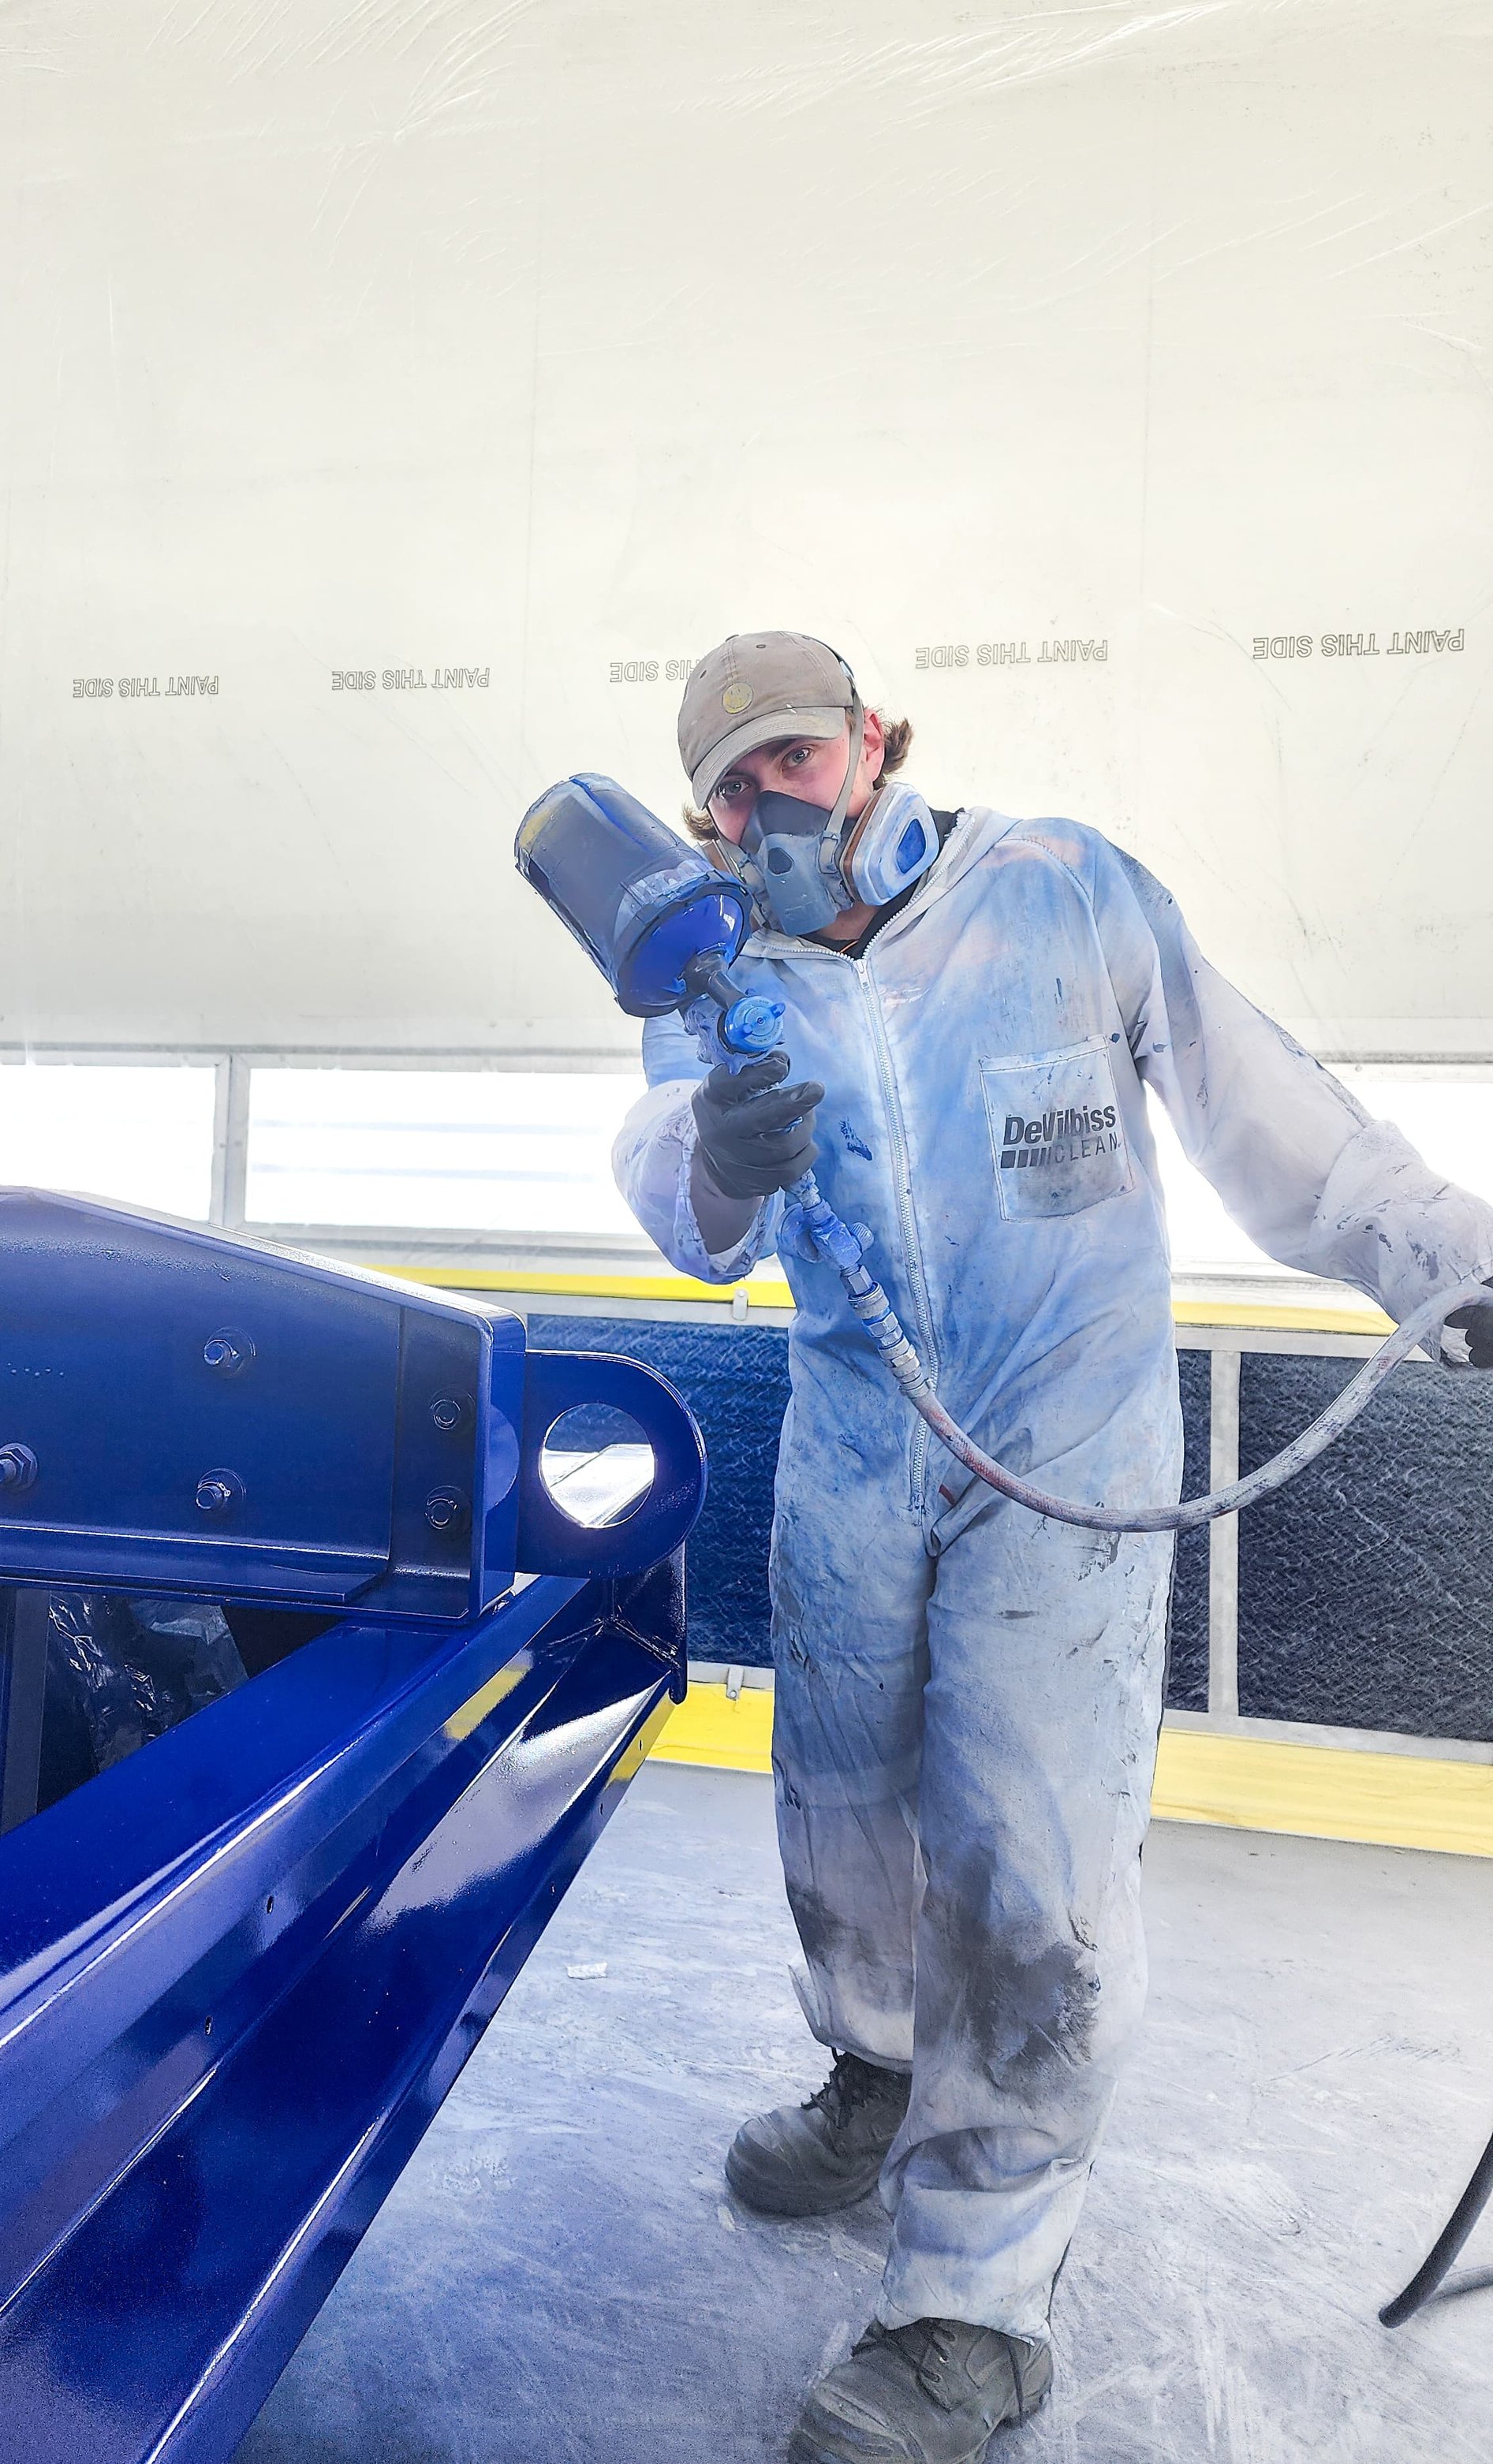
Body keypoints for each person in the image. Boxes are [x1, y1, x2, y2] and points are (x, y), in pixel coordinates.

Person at [612, 629, 1493, 2464]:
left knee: (1029, 1862)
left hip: (1061, 1444)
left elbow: (1274, 1115)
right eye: (730, 783)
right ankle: (869, 2072)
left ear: (875, 747)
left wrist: (1443, 1260)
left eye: (795, 757)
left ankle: (969, 2307)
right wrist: (715, 1142)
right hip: (857, 1440)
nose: (766, 803)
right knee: (837, 1805)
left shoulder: (1057, 894)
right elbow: (678, 1215)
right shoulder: (706, 975)